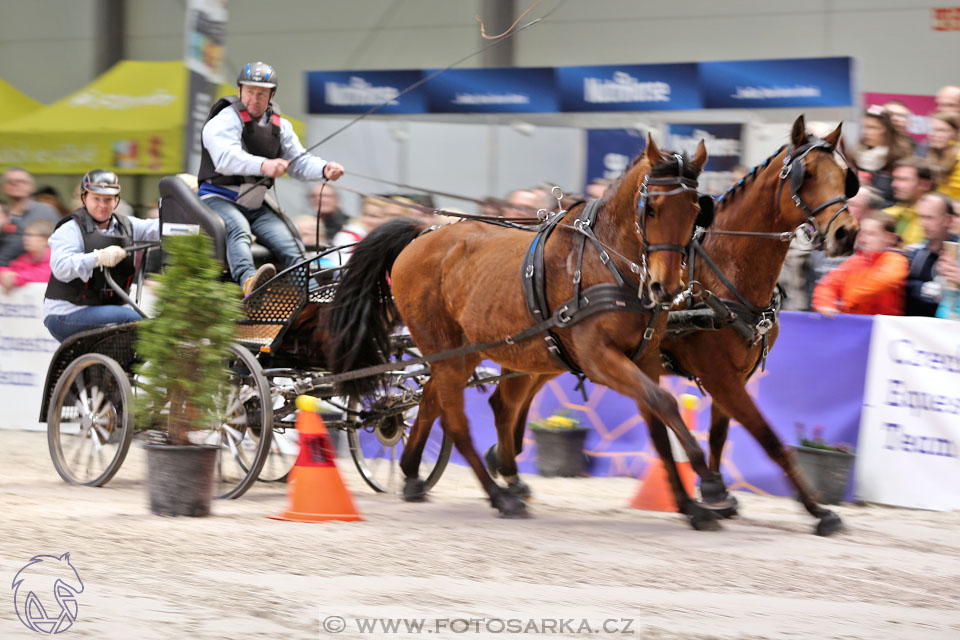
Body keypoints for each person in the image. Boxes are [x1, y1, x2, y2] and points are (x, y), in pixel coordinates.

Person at [197, 61, 344, 297]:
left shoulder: (281, 126)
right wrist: (264, 165)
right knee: (239, 229)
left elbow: (298, 161)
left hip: (255, 205)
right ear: (240, 91)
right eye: (250, 92)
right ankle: (248, 281)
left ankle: (315, 298)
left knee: (291, 244)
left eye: (261, 94)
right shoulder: (224, 121)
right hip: (218, 199)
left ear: (271, 96)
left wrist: (324, 169)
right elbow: (225, 158)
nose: (254, 99)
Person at [43, 170, 160, 342]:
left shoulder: (127, 225)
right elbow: (61, 267)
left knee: (147, 327)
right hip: (66, 313)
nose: (102, 205)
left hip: (103, 308)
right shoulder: (70, 229)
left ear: (117, 200)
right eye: (96, 199)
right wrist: (97, 257)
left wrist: (189, 206)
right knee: (130, 319)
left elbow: (158, 229)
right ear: (84, 198)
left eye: (108, 199)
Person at [812, 211, 908, 317]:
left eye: (872, 234)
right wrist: (826, 304)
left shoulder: (896, 260)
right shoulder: (855, 261)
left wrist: (851, 299)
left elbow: (886, 279)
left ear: (889, 238)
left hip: (883, 327)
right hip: (856, 323)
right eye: (863, 233)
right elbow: (828, 284)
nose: (864, 239)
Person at [903, 192, 959, 316]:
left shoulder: (957, 254)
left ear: (948, 219)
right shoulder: (913, 251)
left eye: (929, 218)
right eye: (920, 217)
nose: (922, 223)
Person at [0, 167, 60, 267]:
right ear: (2, 187)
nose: (15, 184)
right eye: (10, 182)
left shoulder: (46, 211)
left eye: (21, 181)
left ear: (32, 187)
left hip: (33, 273)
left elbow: (60, 244)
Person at [883, 158, 934, 246]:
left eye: (903, 179)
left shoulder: (935, 221)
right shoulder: (886, 214)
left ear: (925, 185)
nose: (894, 184)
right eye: (894, 179)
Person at [0, 219, 53, 293]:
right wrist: (5, 274)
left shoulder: (54, 258)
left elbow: (45, 275)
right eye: (25, 235)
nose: (26, 238)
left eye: (30, 235)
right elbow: (12, 270)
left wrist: (16, 278)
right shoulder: (26, 257)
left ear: (46, 239)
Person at [925, 112, 960, 200]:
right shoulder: (932, 154)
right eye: (931, 130)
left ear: (957, 133)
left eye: (941, 130)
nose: (933, 134)